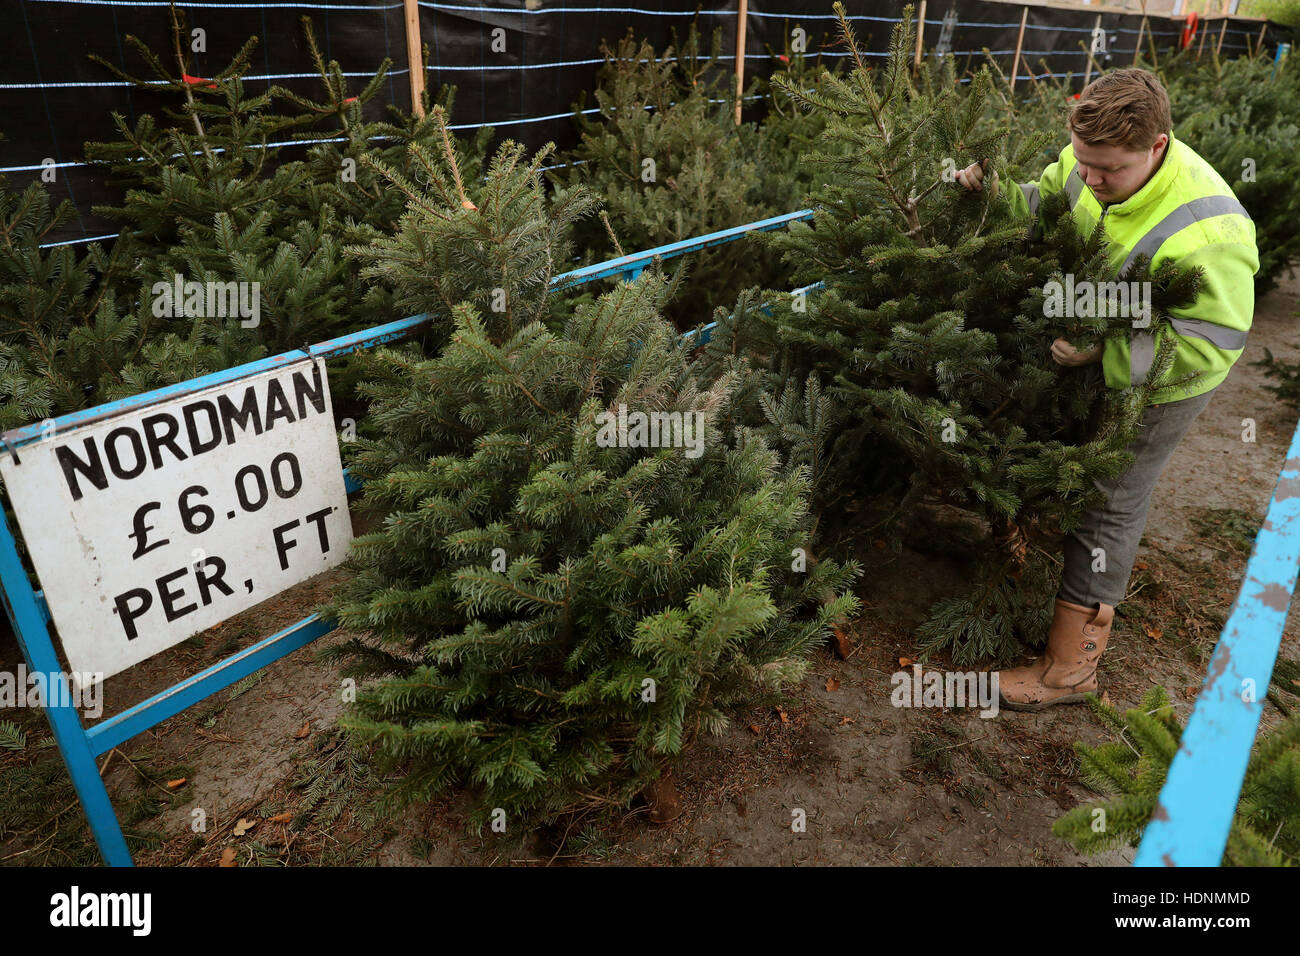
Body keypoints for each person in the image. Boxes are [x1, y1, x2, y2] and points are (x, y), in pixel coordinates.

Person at [954, 68, 1259, 711]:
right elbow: (1050, 201)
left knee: (1111, 496)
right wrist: (995, 191)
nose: (1091, 179)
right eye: (1084, 163)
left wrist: (1109, 350)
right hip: (1094, 338)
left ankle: (1069, 671)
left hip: (1170, 376)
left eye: (1108, 170)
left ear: (1157, 147)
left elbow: (1212, 340)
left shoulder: (1211, 229)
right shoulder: (1087, 160)